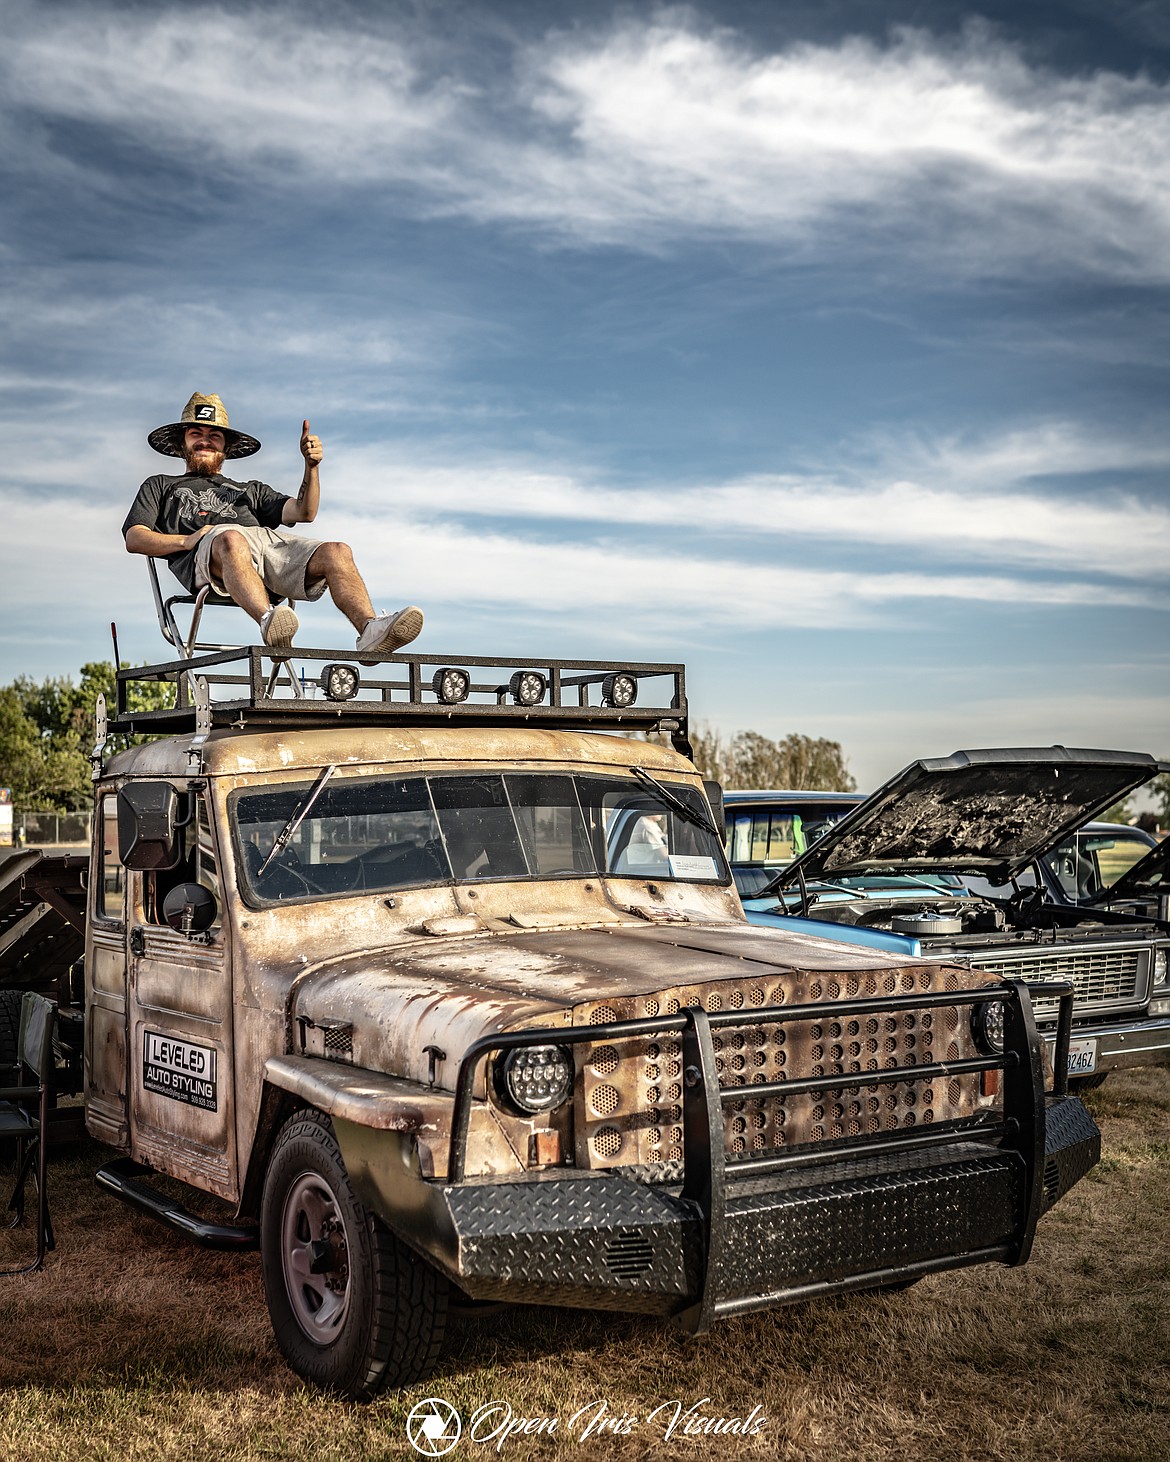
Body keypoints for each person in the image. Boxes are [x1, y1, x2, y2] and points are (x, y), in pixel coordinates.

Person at [123, 392, 423, 653]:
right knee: (230, 538)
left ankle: (370, 629)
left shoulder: (250, 489)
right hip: (211, 553)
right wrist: (186, 541)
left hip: (264, 547)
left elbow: (303, 512)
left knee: (338, 550)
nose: (205, 441)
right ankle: (270, 620)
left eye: (214, 436)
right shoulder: (161, 485)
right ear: (182, 443)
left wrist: (312, 467)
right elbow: (135, 538)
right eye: (196, 434)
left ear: (225, 447)